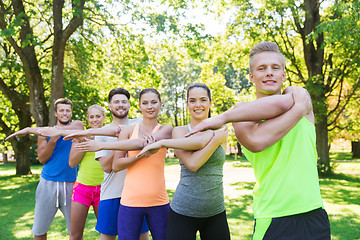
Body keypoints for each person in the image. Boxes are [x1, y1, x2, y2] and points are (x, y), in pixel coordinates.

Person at [187, 42, 331, 240]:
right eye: (261, 69)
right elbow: (256, 142)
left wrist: (222, 117)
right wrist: (298, 110)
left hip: (313, 213)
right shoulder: (241, 113)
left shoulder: (297, 95)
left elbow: (288, 101)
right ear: (252, 77)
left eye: (275, 68)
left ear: (284, 75)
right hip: (273, 216)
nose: (269, 73)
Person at [75, 88, 173, 240]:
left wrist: (102, 146)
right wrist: (85, 133)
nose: (150, 106)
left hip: (156, 200)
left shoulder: (159, 128)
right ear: (139, 106)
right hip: (121, 196)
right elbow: (112, 165)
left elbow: (140, 142)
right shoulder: (125, 129)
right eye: (145, 103)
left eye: (154, 102)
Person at [137, 83, 231, 240]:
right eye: (192, 100)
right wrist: (215, 140)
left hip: (216, 211)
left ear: (210, 102)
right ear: (187, 104)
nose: (198, 105)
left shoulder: (220, 129)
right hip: (183, 211)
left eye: (203, 100)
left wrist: (163, 143)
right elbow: (193, 164)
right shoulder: (180, 131)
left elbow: (201, 142)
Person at [65, 88, 150, 240]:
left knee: (141, 237)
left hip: (137, 193)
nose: (120, 105)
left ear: (130, 105)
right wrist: (120, 141)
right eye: (116, 102)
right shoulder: (101, 132)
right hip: (111, 194)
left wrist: (121, 138)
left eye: (124, 101)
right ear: (110, 106)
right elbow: (106, 166)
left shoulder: (139, 124)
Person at [5, 98, 84, 240]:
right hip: (48, 184)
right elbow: (42, 159)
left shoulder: (77, 126)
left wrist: (33, 130)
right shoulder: (44, 134)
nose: (65, 113)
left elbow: (71, 129)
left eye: (67, 110)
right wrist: (52, 141)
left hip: (72, 184)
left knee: (75, 232)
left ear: (71, 113)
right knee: (39, 231)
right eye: (61, 110)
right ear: (55, 113)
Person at [67, 104, 106, 240]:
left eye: (98, 116)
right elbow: (72, 163)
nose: (94, 120)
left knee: (106, 234)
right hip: (82, 188)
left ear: (104, 117)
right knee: (75, 235)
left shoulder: (110, 135)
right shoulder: (81, 136)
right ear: (88, 119)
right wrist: (84, 143)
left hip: (104, 189)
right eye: (91, 117)